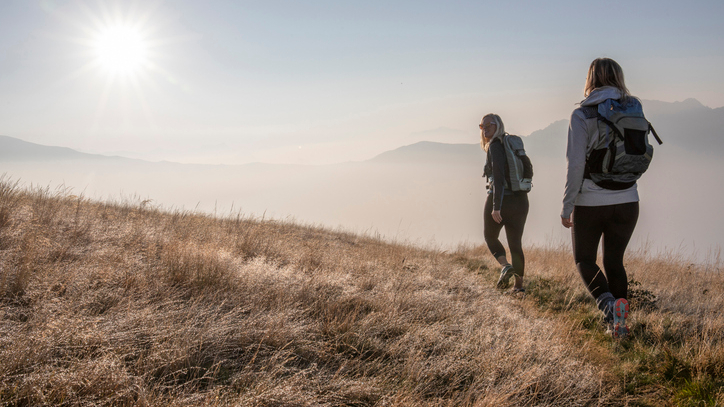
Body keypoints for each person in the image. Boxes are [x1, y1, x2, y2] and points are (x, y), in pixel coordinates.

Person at [561, 57, 639, 339]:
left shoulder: (582, 115)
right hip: (628, 199)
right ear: (619, 77)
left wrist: (567, 206)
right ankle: (620, 326)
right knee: (614, 262)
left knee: (584, 259)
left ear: (590, 80)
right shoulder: (633, 108)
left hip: (591, 201)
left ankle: (609, 308)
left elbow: (575, 165)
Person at [480, 113, 530, 292]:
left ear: (498, 125)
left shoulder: (495, 146)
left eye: (489, 125)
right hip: (521, 200)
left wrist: (496, 207)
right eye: (482, 126)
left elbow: (499, 178)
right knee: (515, 243)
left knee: (490, 236)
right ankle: (519, 287)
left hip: (501, 199)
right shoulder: (511, 144)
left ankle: (505, 266)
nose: (485, 128)